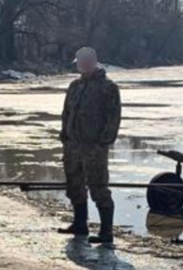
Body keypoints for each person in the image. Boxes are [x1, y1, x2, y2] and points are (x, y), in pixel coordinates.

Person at [58, 46, 122, 244]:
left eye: (84, 62)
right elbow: (66, 112)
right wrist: (64, 135)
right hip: (73, 146)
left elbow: (114, 117)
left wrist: (103, 141)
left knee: (99, 186)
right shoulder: (74, 86)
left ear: (93, 62)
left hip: (94, 147)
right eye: (78, 62)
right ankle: (80, 224)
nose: (81, 65)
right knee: (74, 185)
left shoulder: (108, 87)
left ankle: (106, 232)